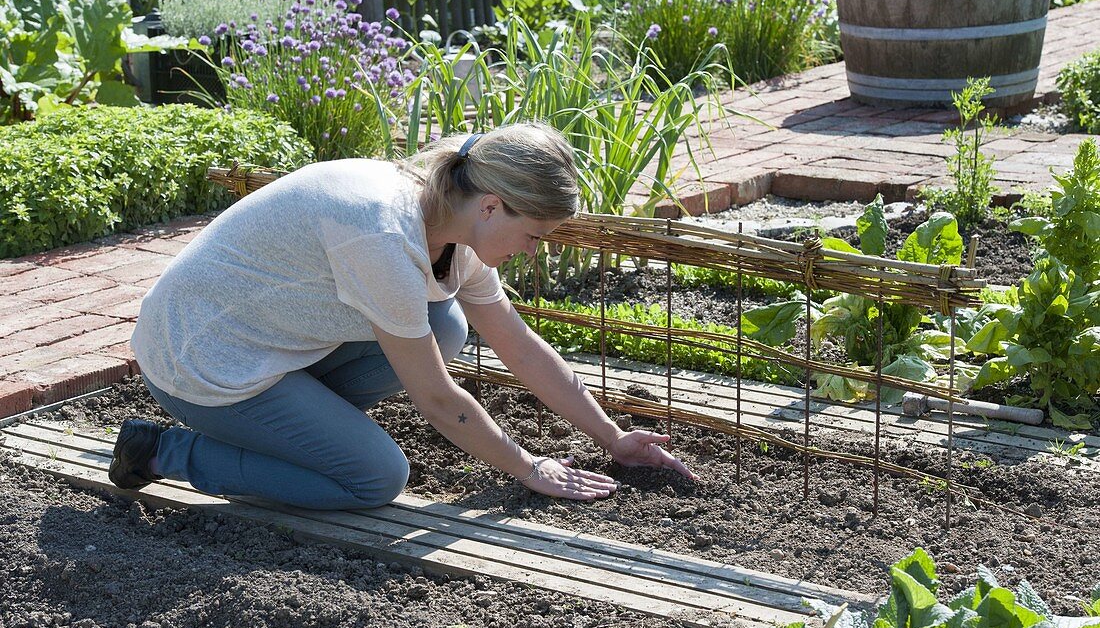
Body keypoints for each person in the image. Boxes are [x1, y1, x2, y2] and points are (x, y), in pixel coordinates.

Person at [113, 122, 695, 510]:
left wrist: (613, 438)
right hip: (202, 365)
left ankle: (303, 432)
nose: (533, 250)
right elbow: (439, 403)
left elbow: (518, 347)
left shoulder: (452, 223)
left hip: (270, 343)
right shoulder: (382, 236)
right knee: (374, 477)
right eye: (533, 235)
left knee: (445, 326)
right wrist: (528, 467)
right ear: (491, 206)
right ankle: (165, 452)